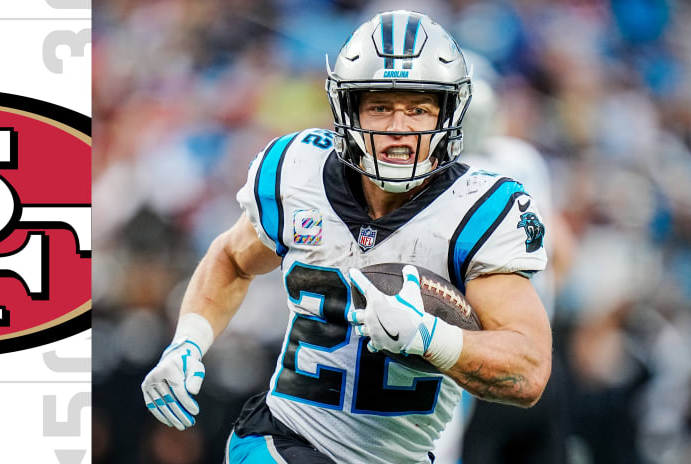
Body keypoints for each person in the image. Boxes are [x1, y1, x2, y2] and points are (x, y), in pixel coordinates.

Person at [141, 10, 552, 464]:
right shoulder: (300, 172)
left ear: (449, 112)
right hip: (286, 438)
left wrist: (427, 337)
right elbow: (232, 258)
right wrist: (188, 343)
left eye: (418, 108)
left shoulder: (477, 208)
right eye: (380, 106)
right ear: (347, 108)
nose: (398, 129)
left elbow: (528, 369)